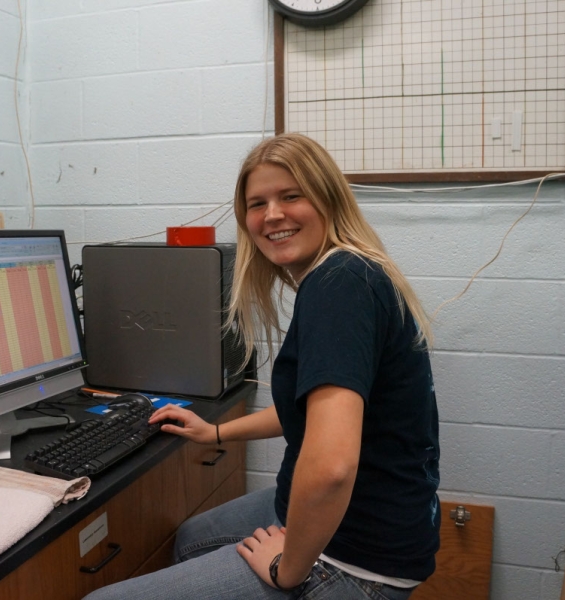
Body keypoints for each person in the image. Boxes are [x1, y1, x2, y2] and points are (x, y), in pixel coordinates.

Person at [84, 133, 440, 600]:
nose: (272, 214)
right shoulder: (348, 273)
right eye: (258, 203)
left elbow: (332, 465)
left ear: (329, 199)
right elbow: (312, 412)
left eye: (291, 196)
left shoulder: (339, 284)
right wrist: (214, 433)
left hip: (358, 558)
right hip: (383, 523)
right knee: (194, 536)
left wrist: (286, 569)